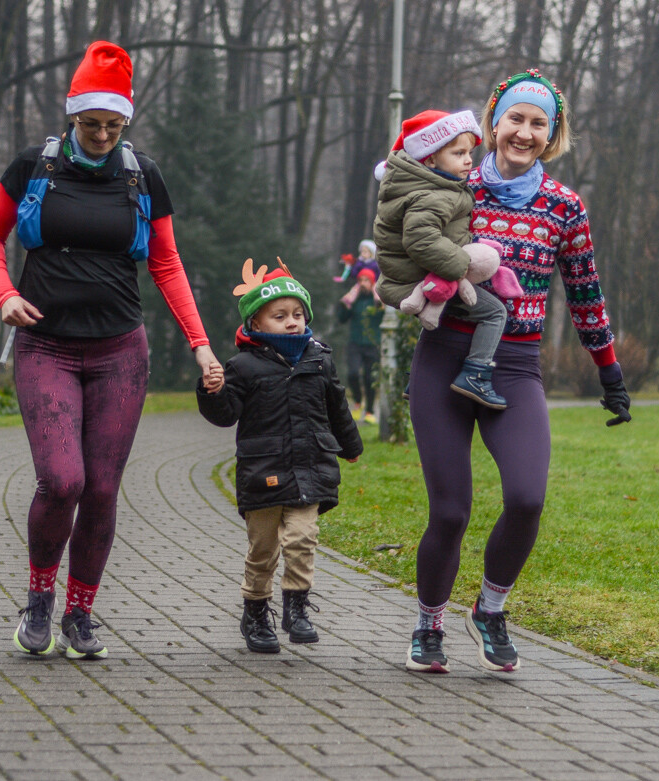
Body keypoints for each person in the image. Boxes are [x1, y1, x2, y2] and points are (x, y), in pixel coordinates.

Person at [0, 41, 224, 660]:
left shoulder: (142, 174)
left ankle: (80, 614)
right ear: (72, 117)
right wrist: (4, 292)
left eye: (115, 126)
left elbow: (166, 262)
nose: (104, 136)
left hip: (119, 351)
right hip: (45, 347)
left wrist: (200, 345)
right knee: (62, 480)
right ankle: (39, 598)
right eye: (93, 125)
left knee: (104, 489)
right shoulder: (36, 165)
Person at [405, 70, 631, 675]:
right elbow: (405, 241)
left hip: (515, 365)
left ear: (552, 136)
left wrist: (609, 373)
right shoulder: (453, 184)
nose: (524, 133)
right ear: (493, 124)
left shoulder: (564, 207)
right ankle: (429, 624)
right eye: (515, 120)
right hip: (444, 360)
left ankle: (490, 609)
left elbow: (586, 296)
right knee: (450, 511)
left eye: (539, 124)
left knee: (528, 498)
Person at [197, 260, 363, 654]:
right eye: (280, 316)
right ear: (256, 323)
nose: (292, 322)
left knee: (303, 538)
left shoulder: (319, 358)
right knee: (263, 551)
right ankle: (255, 613)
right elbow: (225, 416)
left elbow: (336, 405)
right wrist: (212, 391)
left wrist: (351, 445)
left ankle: (297, 607)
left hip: (310, 468)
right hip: (263, 472)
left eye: (298, 314)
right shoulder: (243, 366)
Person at [373, 109, 511, 409]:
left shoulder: (430, 184)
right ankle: (476, 373)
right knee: (494, 313)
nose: (467, 160)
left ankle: (421, 377)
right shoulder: (432, 194)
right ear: (431, 158)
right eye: (458, 153)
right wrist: (462, 266)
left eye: (469, 152)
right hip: (418, 277)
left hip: (412, 275)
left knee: (444, 319)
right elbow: (420, 240)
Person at [338, 268, 382, 423]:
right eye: (360, 280)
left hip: (373, 343)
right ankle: (357, 400)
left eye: (366, 281)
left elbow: (384, 315)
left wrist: (380, 302)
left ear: (372, 283)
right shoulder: (354, 300)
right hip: (355, 343)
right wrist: (345, 303)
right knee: (353, 373)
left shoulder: (378, 301)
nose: (363, 284)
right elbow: (342, 319)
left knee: (370, 378)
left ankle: (369, 411)